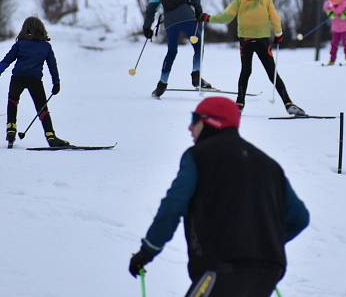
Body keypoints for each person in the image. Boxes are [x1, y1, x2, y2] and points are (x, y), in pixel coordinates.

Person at [128, 96, 310, 297]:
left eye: (194, 119)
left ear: (210, 122)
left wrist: (148, 251)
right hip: (268, 271)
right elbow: (300, 218)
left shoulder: (199, 155)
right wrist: (263, 242)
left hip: (219, 268)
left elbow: (173, 205)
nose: (190, 128)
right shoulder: (270, 165)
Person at [202, 0, 305, 115]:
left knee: (246, 71)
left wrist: (209, 18)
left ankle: (239, 103)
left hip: (245, 40)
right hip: (263, 40)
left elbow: (226, 17)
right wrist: (278, 34)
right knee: (272, 73)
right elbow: (276, 19)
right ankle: (288, 103)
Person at [0, 16, 67, 148]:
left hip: (17, 77)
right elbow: (53, 66)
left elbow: (7, 60)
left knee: (12, 102)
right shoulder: (46, 47)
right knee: (42, 108)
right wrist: (56, 83)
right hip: (34, 80)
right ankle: (50, 136)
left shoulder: (20, 44)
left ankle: (11, 130)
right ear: (41, 29)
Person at [143, 0, 210, 98]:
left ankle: (161, 84)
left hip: (170, 22)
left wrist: (147, 27)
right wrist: (198, 11)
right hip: (187, 18)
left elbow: (151, 8)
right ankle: (196, 76)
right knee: (198, 45)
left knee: (171, 51)